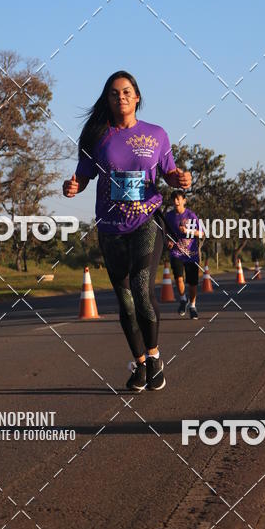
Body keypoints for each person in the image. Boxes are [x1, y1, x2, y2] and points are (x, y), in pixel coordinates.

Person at [63, 71, 191, 392]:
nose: (120, 97)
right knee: (125, 300)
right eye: (114, 93)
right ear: (107, 99)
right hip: (110, 226)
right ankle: (140, 362)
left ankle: (154, 355)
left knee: (141, 288)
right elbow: (83, 177)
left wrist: (179, 179)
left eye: (126, 92)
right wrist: (73, 187)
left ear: (137, 97)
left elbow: (169, 172)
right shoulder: (96, 136)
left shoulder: (156, 135)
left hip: (146, 220)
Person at [164, 190, 202, 319]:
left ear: (184, 201)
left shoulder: (191, 215)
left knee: (192, 283)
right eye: (174, 199)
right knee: (179, 278)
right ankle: (183, 299)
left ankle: (192, 306)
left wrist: (188, 231)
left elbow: (201, 233)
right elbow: (165, 233)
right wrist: (168, 241)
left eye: (178, 199)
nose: (176, 201)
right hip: (176, 252)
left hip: (191, 254)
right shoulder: (169, 216)